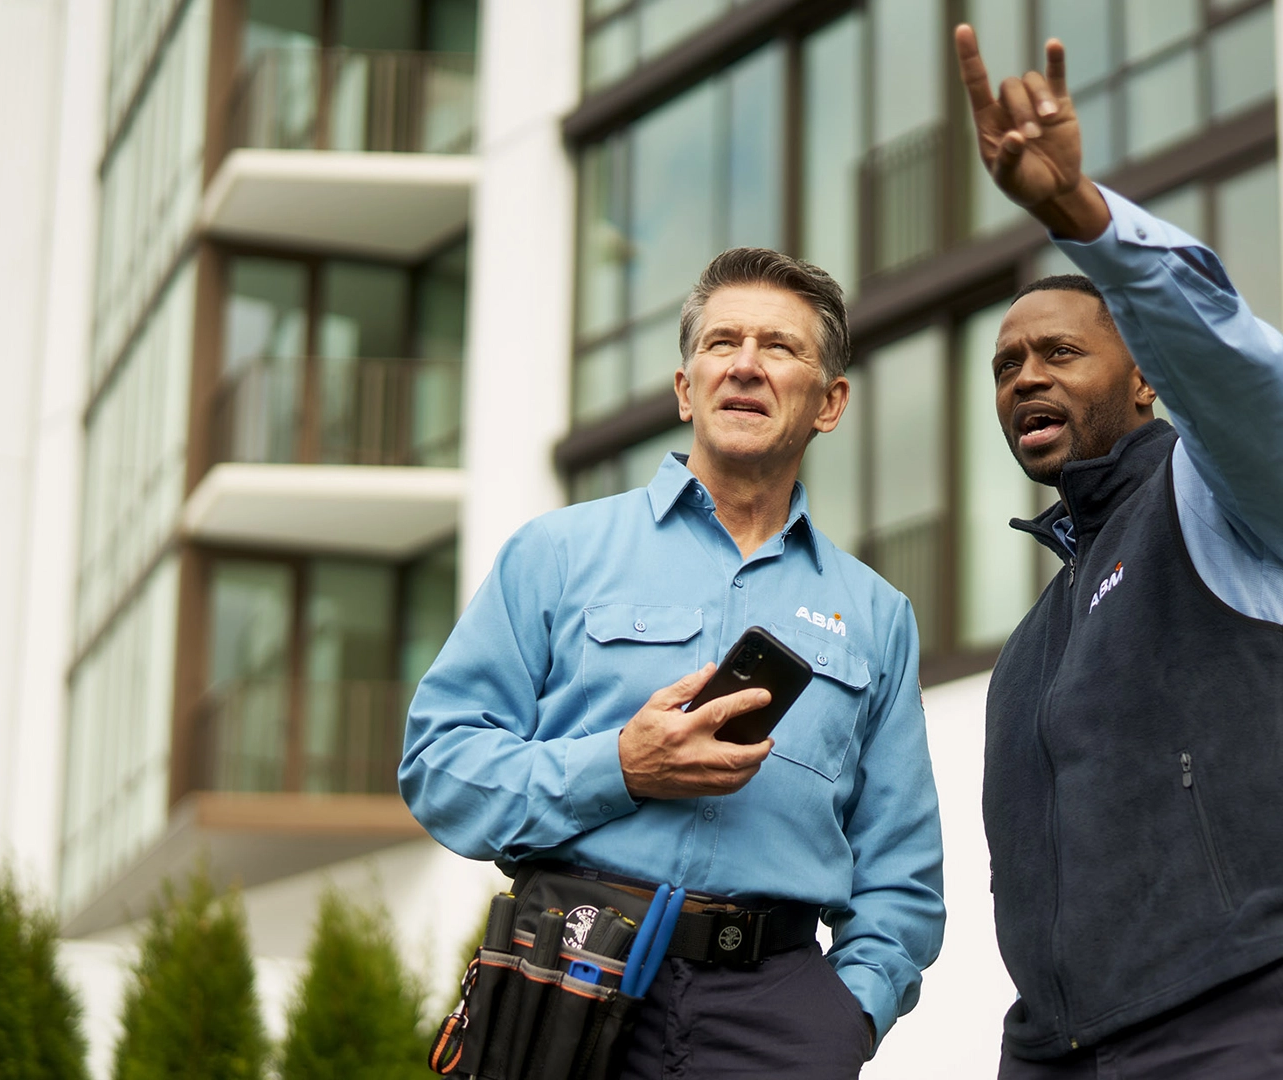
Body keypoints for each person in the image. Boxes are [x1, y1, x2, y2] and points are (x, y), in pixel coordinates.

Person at [956, 25, 1283, 1079]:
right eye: (1006, 364)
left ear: (1145, 377)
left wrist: (1083, 220)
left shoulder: (1228, 499)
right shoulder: (1029, 647)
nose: (1023, 377)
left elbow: (1251, 380)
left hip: (1246, 1025)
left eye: (1059, 351)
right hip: (1058, 1054)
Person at [400, 248, 945, 1079]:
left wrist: (850, 1013)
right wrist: (620, 765)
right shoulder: (558, 553)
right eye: (722, 344)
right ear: (687, 388)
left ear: (830, 403)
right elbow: (438, 767)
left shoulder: (877, 615)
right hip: (572, 981)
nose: (746, 367)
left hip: (781, 1018)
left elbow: (901, 870)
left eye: (780, 348)